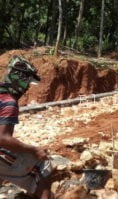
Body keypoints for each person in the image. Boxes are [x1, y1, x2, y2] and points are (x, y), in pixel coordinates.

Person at [0, 56, 53, 198]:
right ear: (19, 79)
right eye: (28, 82)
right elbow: (3, 139)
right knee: (43, 166)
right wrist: (34, 150)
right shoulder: (9, 102)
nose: (28, 87)